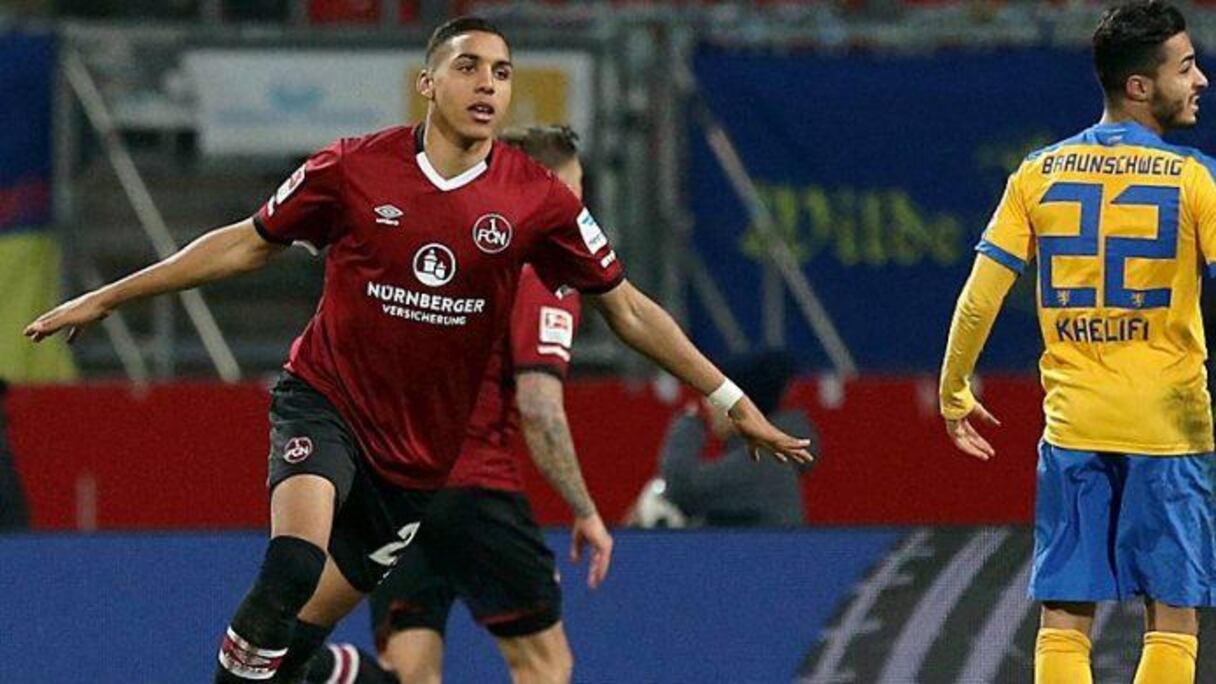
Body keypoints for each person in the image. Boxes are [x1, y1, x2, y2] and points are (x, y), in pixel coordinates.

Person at [24, 16, 812, 684]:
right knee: (293, 564)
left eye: (501, 72)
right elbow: (247, 242)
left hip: (415, 465)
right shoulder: (353, 167)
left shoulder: (537, 200)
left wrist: (727, 398)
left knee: (293, 651)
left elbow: (628, 308)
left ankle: (333, 673)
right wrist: (110, 295)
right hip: (326, 404)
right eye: (468, 67)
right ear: (428, 84)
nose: (487, 84)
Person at [939, 2, 1213, 682]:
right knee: (1173, 619)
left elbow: (981, 296)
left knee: (1063, 621)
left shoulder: (1038, 173)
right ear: (1140, 86)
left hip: (1074, 426)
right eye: (1185, 68)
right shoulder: (1194, 178)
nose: (1200, 80)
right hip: (1170, 428)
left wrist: (953, 388)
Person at [306, 125, 610, 684]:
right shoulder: (541, 271)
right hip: (474, 490)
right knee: (544, 664)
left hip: (394, 484)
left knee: (410, 673)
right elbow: (540, 406)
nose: (579, 214)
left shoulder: (438, 248)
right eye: (574, 194)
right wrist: (585, 508)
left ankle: (319, 670)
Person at [657, 350, 816, 527]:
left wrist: (693, 419)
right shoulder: (765, 456)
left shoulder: (764, 461)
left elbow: (682, 489)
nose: (708, 404)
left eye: (714, 396)